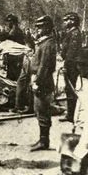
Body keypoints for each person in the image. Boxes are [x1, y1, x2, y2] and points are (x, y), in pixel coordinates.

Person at [30, 15, 56, 152]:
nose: (37, 30)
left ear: (47, 28)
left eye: (40, 27)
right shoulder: (45, 42)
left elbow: (44, 66)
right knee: (39, 110)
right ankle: (42, 139)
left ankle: (44, 141)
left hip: (43, 82)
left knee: (43, 111)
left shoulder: (47, 44)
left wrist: (37, 82)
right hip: (42, 80)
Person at [60, 12, 83, 122]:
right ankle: (71, 113)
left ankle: (71, 115)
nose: (64, 23)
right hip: (71, 64)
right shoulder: (72, 32)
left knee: (70, 89)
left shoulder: (74, 33)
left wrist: (66, 65)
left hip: (71, 65)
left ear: (72, 21)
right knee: (69, 89)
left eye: (66, 20)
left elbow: (71, 52)